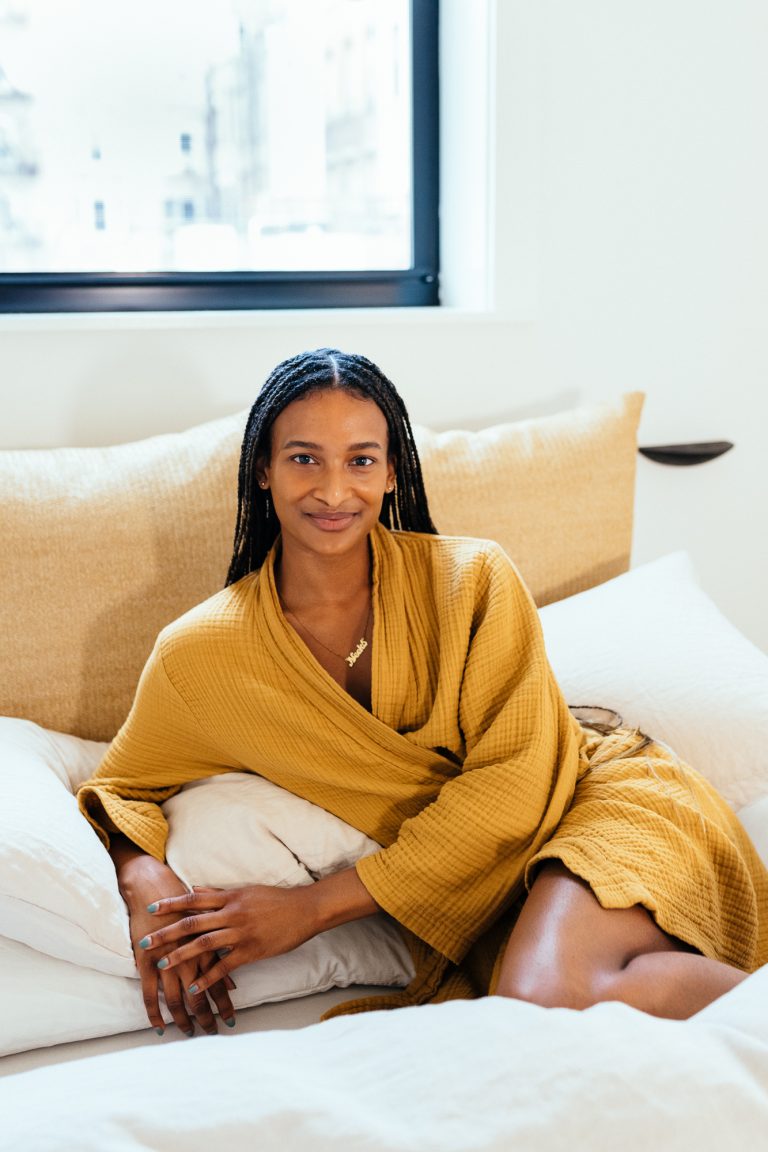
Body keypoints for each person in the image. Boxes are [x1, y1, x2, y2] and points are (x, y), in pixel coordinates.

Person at [78, 348, 768, 1038]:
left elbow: (515, 780)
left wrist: (311, 909)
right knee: (570, 1007)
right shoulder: (201, 656)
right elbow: (123, 787)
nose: (333, 490)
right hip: (488, 899)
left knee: (539, 1000)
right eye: (304, 458)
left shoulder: (473, 580)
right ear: (262, 468)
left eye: (361, 460)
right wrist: (142, 877)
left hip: (596, 803)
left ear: (391, 471)